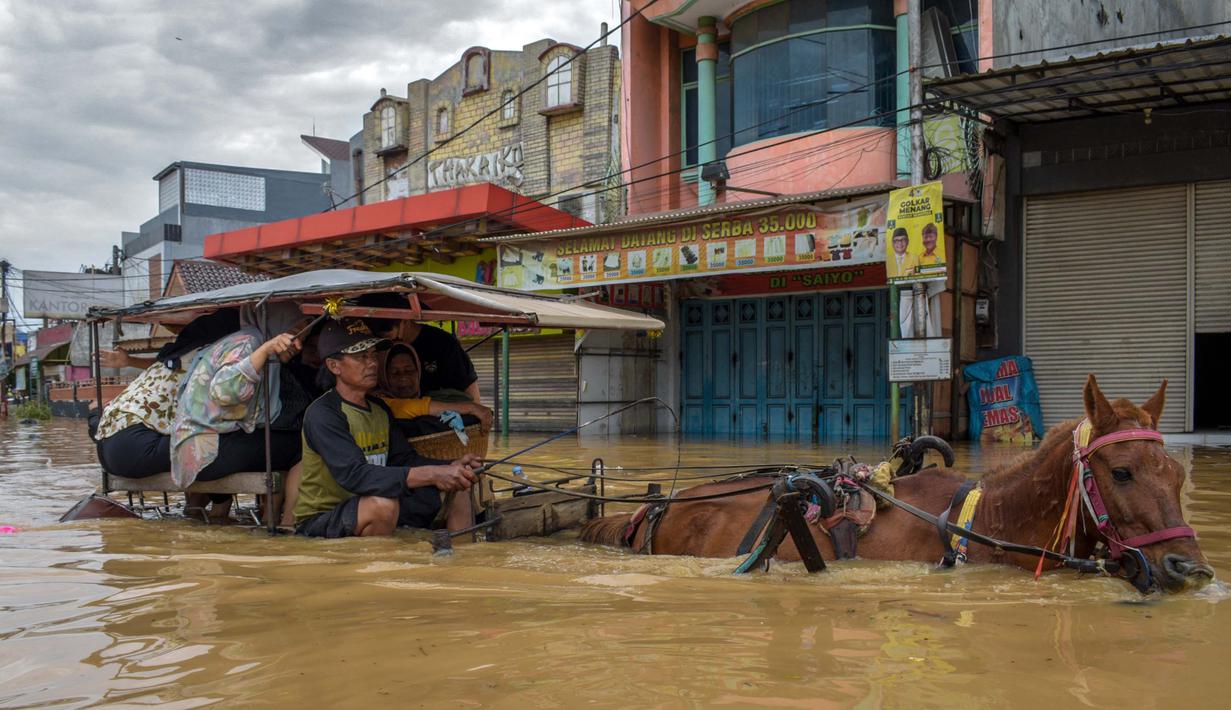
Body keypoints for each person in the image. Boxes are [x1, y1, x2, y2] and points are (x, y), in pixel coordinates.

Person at [294, 318, 481, 538]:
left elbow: (402, 458)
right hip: (326, 517)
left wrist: (451, 466)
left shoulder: (379, 408)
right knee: (383, 505)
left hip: (376, 500)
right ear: (334, 366)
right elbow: (356, 475)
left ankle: (460, 563)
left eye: (373, 355)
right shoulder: (323, 413)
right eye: (361, 356)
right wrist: (432, 473)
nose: (372, 363)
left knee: (459, 487)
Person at [171, 302, 310, 522]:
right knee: (304, 446)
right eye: (292, 332)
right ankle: (287, 524)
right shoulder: (249, 343)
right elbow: (225, 392)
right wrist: (265, 350)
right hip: (205, 451)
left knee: (282, 442)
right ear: (275, 323)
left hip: (202, 446)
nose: (297, 343)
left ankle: (269, 517)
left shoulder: (249, 339)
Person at [92, 310, 241, 480]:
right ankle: (217, 503)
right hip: (136, 447)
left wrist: (129, 361)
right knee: (220, 446)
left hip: (106, 445)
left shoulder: (176, 358)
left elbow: (170, 366)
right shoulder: (213, 357)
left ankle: (201, 505)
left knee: (195, 436)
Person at [355, 293, 481, 403]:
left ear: (404, 319)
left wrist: (477, 415)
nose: (381, 340)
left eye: (385, 335)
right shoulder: (374, 347)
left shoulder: (443, 343)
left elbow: (469, 388)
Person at [377, 343, 493, 432]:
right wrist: (472, 408)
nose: (403, 378)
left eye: (409, 371)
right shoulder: (383, 404)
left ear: (419, 373)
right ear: (384, 377)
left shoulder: (434, 398)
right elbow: (417, 407)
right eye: (395, 373)